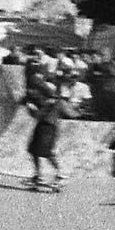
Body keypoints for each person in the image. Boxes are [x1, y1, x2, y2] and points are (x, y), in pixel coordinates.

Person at [23, 57, 67, 192]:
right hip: (42, 121)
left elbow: (53, 98)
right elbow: (28, 98)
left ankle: (60, 175)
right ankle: (38, 176)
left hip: (49, 122)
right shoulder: (30, 83)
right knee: (32, 149)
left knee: (46, 151)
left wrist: (39, 110)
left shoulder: (35, 81)